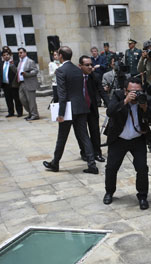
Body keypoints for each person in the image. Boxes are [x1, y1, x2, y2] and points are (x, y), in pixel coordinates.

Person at [103, 77, 151, 210]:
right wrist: (125, 101)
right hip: (118, 139)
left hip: (137, 139)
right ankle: (109, 192)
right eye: (132, 92)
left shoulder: (145, 99)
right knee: (111, 167)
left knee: (142, 167)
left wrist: (144, 108)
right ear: (125, 91)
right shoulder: (118, 95)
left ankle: (143, 196)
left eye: (138, 91)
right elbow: (110, 111)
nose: (135, 95)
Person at [43, 46, 98, 174]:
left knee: (62, 138)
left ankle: (55, 163)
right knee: (84, 136)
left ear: (61, 56)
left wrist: (60, 113)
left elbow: (62, 94)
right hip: (81, 107)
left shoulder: (61, 71)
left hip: (68, 109)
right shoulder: (78, 70)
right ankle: (92, 164)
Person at [77, 55, 110, 163]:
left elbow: (102, 91)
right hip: (79, 109)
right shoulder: (75, 77)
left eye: (91, 64)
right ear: (80, 66)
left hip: (91, 108)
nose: (90, 67)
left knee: (95, 131)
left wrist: (110, 105)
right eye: (87, 65)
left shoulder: (94, 76)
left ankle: (97, 153)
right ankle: (85, 152)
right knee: (82, 133)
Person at [17, 47, 39, 121]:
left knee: (31, 100)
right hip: (21, 83)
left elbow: (35, 71)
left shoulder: (30, 61)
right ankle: (30, 113)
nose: (19, 54)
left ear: (25, 53)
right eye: (18, 53)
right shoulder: (20, 62)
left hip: (29, 83)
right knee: (22, 99)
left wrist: (27, 74)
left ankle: (34, 114)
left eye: (21, 52)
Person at [1, 49, 22, 117]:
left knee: (16, 99)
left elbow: (17, 72)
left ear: (10, 55)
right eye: (4, 55)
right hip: (5, 84)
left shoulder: (15, 62)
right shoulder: (2, 64)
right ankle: (11, 112)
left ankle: (19, 112)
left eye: (7, 55)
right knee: (8, 99)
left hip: (13, 84)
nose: (6, 56)